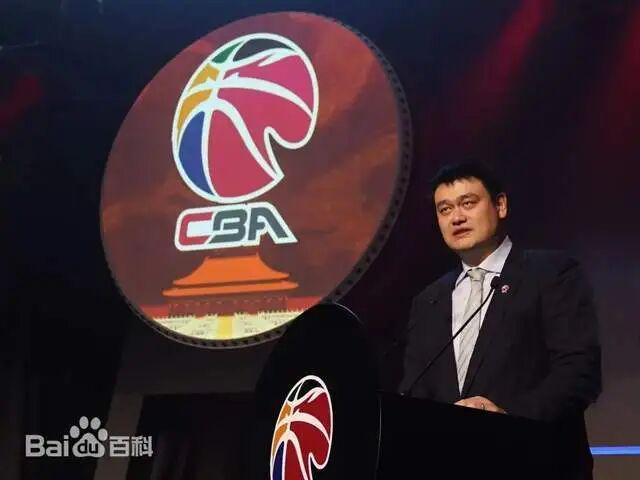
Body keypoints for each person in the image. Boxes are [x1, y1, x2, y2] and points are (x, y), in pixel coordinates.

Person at [399, 162, 601, 477]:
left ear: (501, 205)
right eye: (445, 209)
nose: (456, 217)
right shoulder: (429, 300)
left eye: (468, 203)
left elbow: (579, 373)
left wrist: (507, 416)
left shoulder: (550, 274)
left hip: (536, 463)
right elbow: (415, 392)